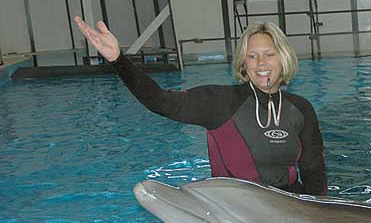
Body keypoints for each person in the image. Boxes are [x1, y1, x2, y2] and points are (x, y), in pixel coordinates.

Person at [73, 16, 327, 195]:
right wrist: (119, 59)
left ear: (283, 58)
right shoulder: (220, 103)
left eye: (269, 54)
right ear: (243, 62)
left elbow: (313, 170)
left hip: (291, 204)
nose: (261, 63)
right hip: (238, 210)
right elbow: (160, 101)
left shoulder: (300, 109)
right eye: (252, 55)